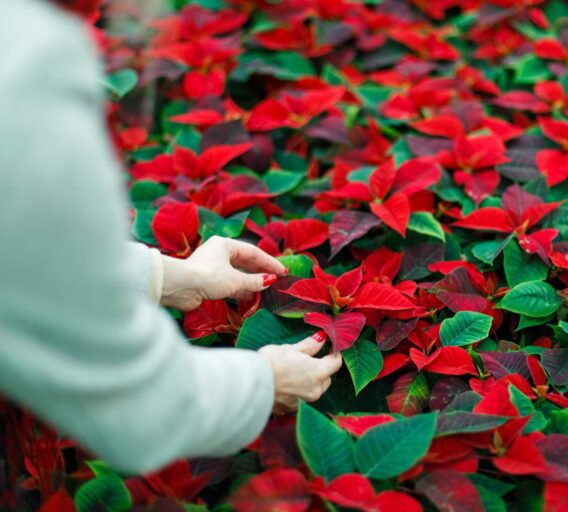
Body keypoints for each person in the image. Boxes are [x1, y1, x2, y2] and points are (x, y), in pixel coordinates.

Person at [0, 0, 342, 474]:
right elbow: (133, 406)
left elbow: (19, 254)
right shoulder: (29, 63)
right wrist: (263, 384)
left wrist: (170, 275)